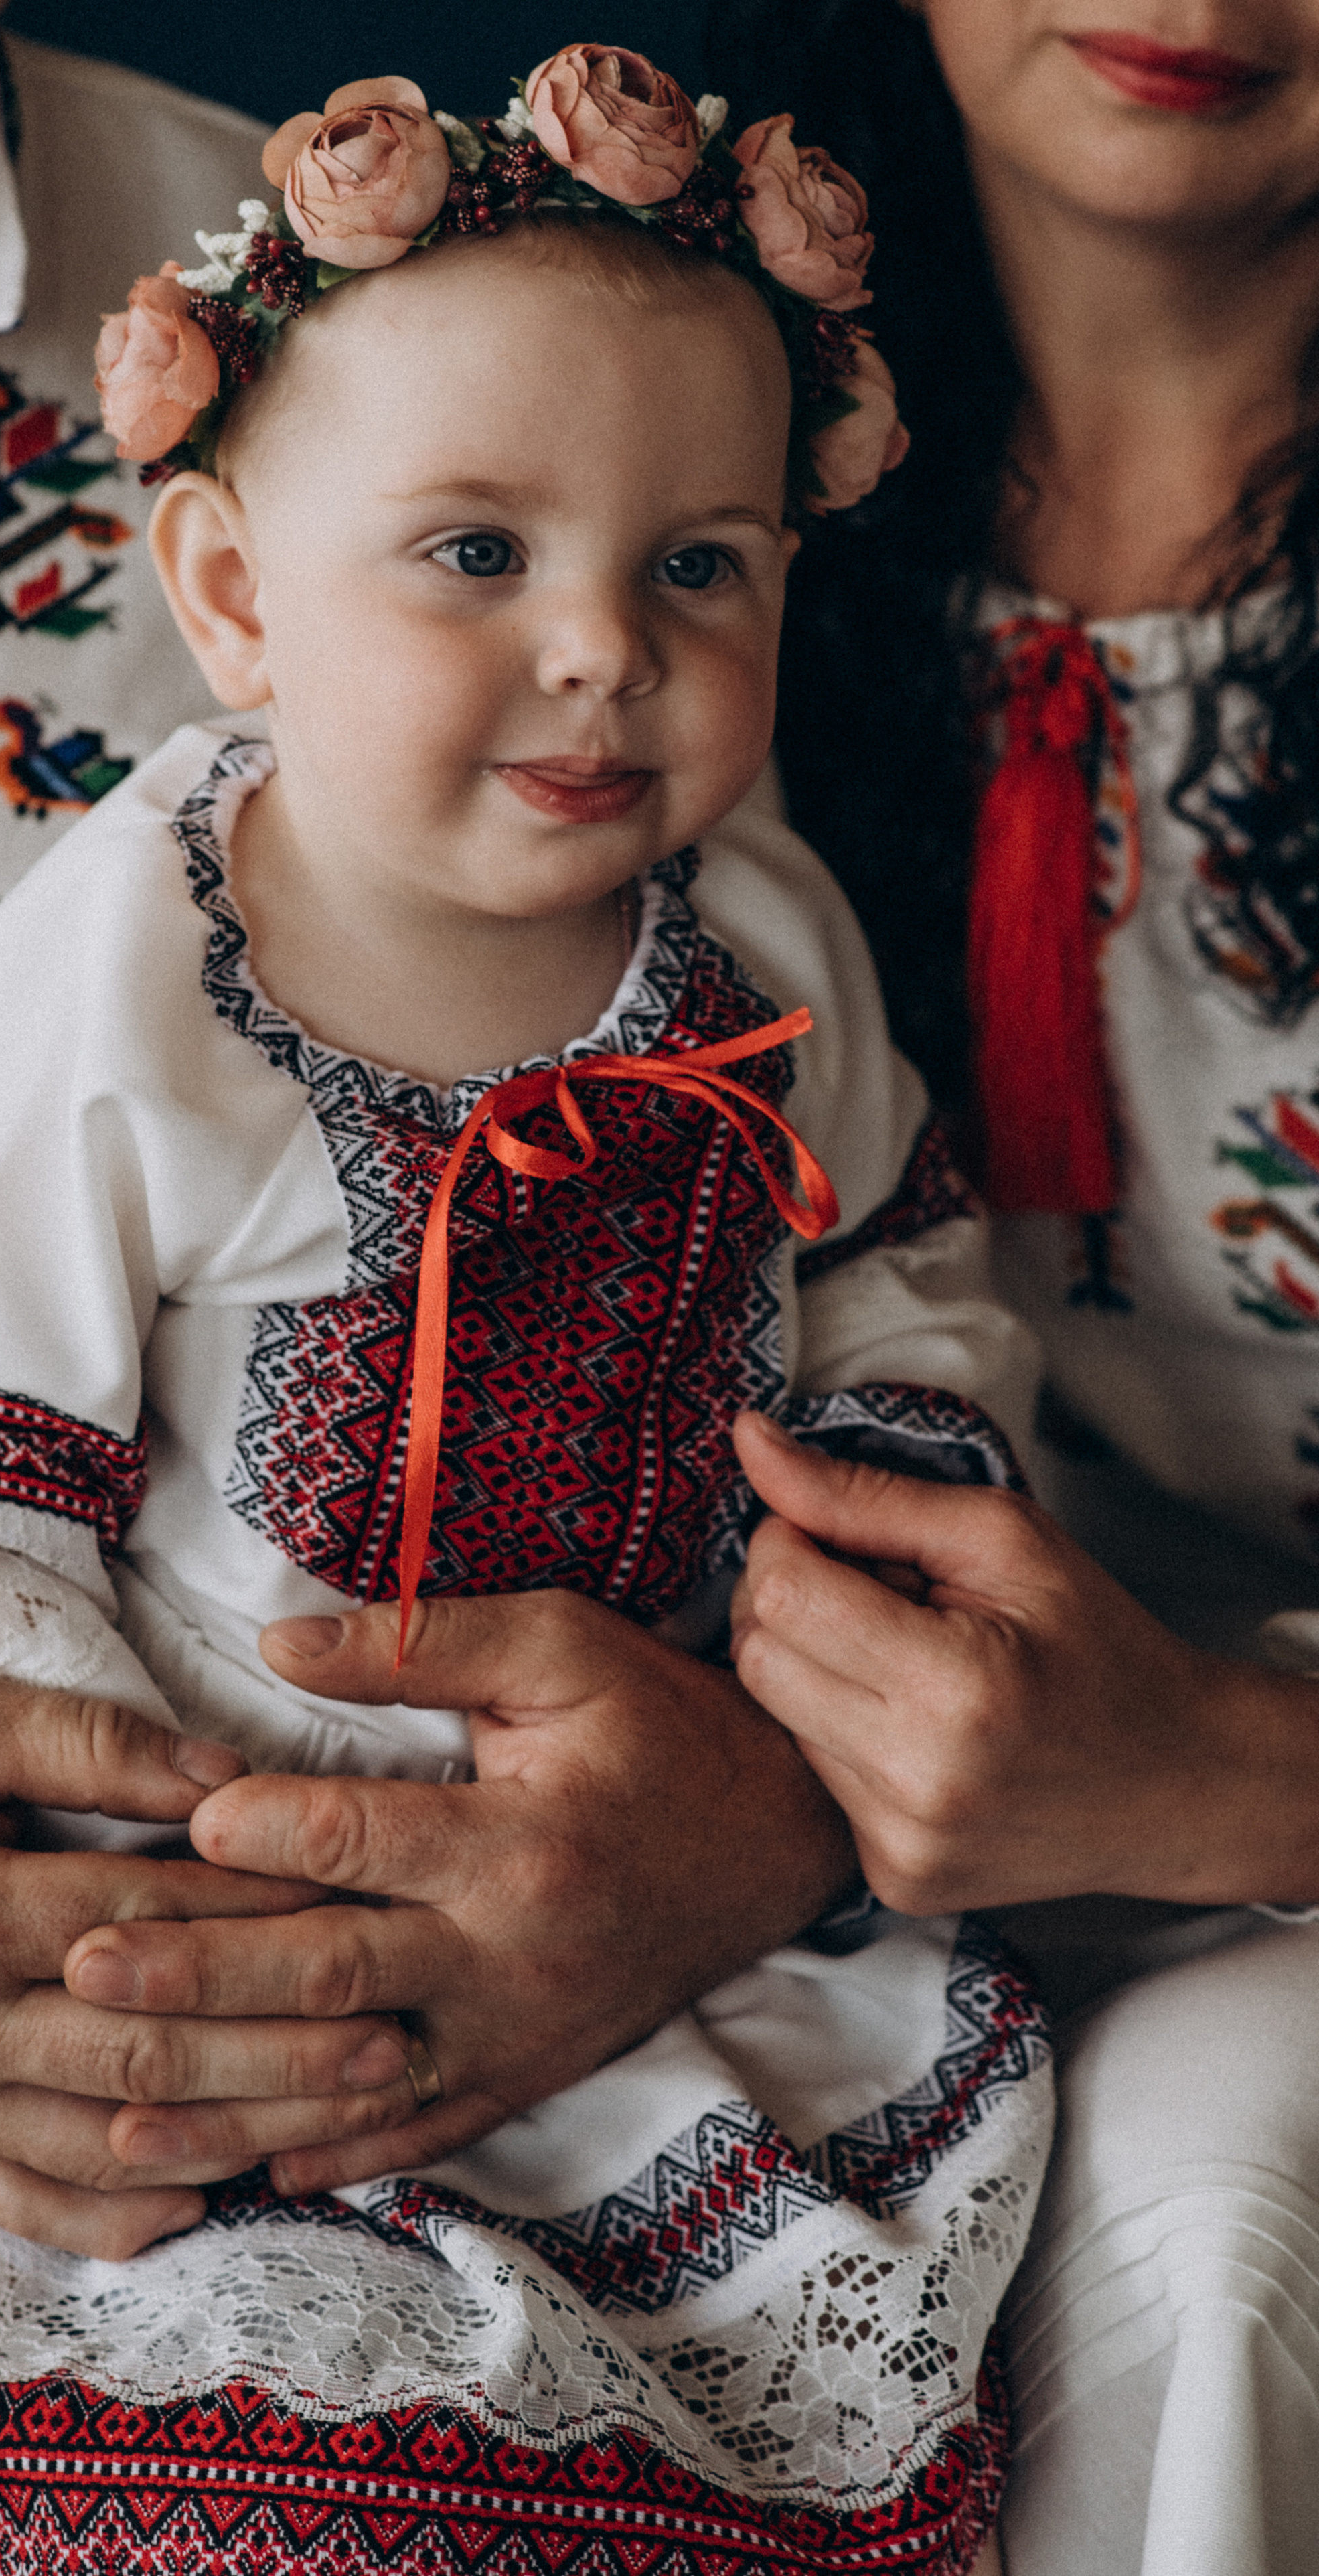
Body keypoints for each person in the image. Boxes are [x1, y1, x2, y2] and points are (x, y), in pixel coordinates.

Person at [0, 46, 1043, 2576]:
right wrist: (78, 1884)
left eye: (700, 567)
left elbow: (897, 1263)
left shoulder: (764, 942)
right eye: (481, 560)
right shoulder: (127, 970)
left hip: (603, 1785)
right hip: (137, 1767)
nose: (605, 649)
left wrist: (869, 1557)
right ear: (235, 594)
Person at [700, 0, 1319, 2565]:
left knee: (1209, 2212)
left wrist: (1213, 1776)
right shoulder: (662, 479)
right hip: (801, 1832)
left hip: (1258, 1847)